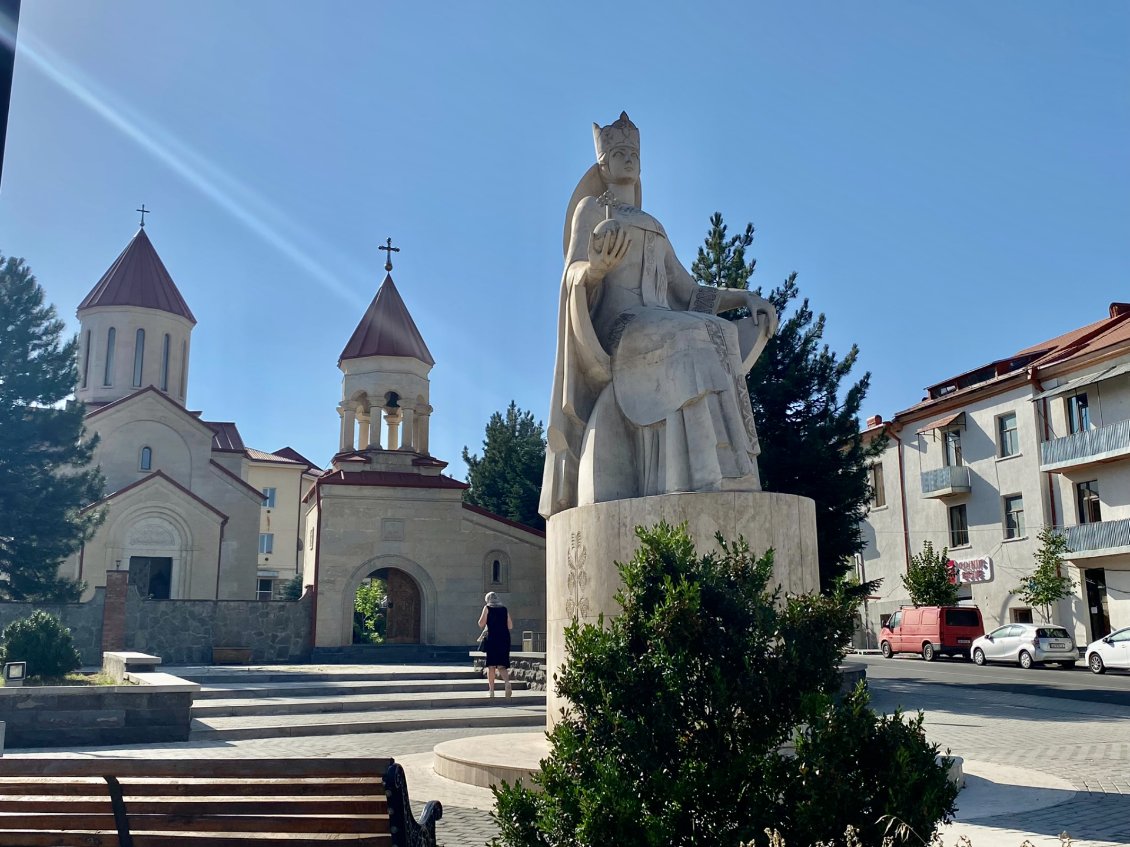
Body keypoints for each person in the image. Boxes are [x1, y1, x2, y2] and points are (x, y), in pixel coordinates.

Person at [540, 112, 778, 518]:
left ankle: (723, 466)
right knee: (692, 334)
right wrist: (595, 269)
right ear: (603, 164)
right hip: (622, 329)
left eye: (632, 153)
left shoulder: (653, 224)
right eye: (617, 153)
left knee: (712, 329)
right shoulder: (592, 210)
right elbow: (573, 271)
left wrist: (746, 297)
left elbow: (688, 292)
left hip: (661, 320)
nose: (628, 160)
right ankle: (682, 476)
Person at [478, 592, 513, 698]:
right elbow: (510, 625)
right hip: (504, 638)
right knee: (502, 665)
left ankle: (492, 690)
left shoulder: (487, 608)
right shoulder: (504, 609)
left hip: (492, 638)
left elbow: (481, 623)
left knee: (491, 665)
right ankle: (507, 683)